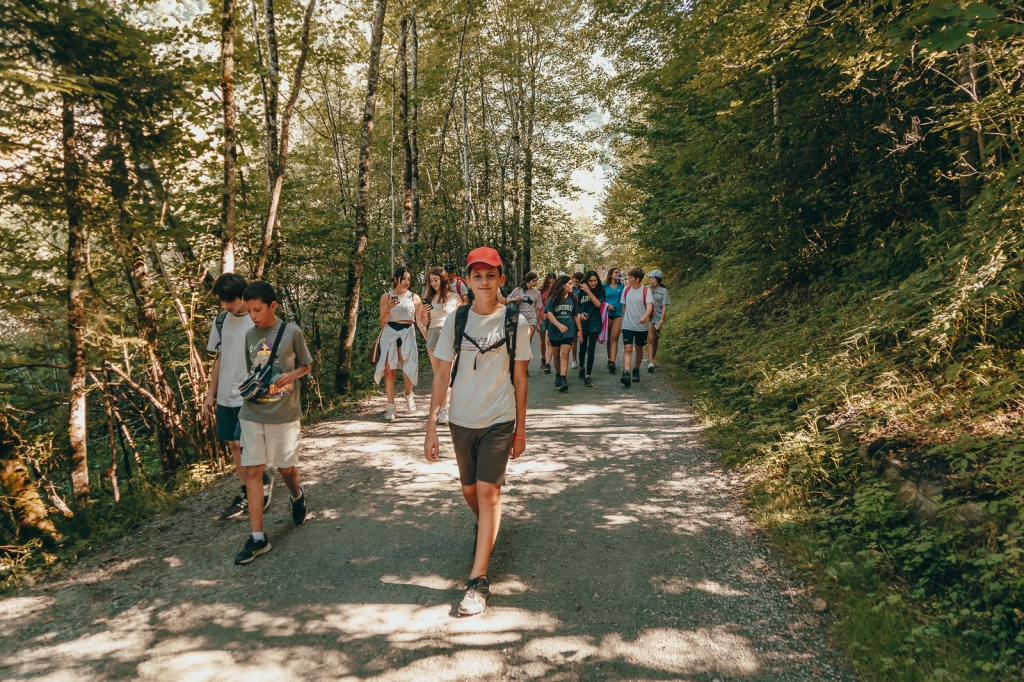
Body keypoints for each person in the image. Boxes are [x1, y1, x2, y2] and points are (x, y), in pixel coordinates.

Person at [424, 246, 531, 616]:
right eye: (477, 275)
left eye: (491, 275)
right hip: (461, 419)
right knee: (470, 492)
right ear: (466, 281)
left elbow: (520, 379)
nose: (484, 281)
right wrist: (431, 425)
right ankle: (488, 524)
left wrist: (521, 430)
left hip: (499, 418)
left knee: (487, 492)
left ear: (502, 279)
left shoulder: (517, 322)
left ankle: (477, 581)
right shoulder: (457, 320)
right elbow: (440, 374)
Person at [234, 281, 312, 565]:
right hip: (252, 414)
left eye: (257, 309)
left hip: (284, 415)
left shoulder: (291, 332)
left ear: (272, 306)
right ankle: (257, 539)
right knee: (253, 471)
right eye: (249, 311)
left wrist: (291, 376)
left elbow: (307, 365)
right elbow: (251, 369)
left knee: (285, 469)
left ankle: (297, 495)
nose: (253, 316)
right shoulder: (249, 336)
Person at [203, 273, 273, 520]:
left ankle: (259, 485)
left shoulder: (258, 319)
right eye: (222, 301)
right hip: (225, 393)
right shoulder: (221, 320)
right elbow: (219, 359)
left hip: (250, 394)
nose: (225, 305)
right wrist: (210, 395)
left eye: (228, 300)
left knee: (246, 444)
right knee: (233, 444)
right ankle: (247, 491)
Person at [376, 266, 423, 421]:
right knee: (389, 372)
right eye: (403, 278)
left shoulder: (414, 298)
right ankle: (391, 407)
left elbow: (421, 321)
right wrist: (389, 307)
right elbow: (383, 321)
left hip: (408, 332)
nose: (406, 282)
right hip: (390, 333)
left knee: (408, 369)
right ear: (396, 279)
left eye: (409, 279)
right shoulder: (386, 296)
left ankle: (409, 394)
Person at [420, 266, 461, 425]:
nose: (433, 283)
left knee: (447, 375)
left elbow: (460, 318)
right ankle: (439, 409)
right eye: (431, 281)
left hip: (449, 335)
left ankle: (445, 409)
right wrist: (423, 313)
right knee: (438, 376)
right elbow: (425, 322)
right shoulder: (429, 298)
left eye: (436, 280)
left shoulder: (455, 297)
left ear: (443, 279)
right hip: (433, 336)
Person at [544, 275, 582, 393]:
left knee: (564, 354)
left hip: (569, 330)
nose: (572, 286)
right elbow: (549, 314)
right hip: (555, 330)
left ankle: (564, 379)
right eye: (569, 284)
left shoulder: (573, 298)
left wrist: (580, 330)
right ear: (562, 285)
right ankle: (558, 374)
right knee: (556, 356)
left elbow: (576, 315)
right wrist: (559, 325)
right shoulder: (552, 299)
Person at [619, 267, 653, 388]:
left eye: (630, 277)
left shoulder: (646, 291)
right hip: (628, 324)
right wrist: (622, 322)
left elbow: (649, 307)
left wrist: (645, 317)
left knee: (639, 348)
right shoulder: (626, 290)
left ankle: (636, 370)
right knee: (628, 349)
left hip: (641, 326)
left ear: (637, 279)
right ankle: (626, 373)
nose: (628, 279)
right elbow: (624, 307)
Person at [577, 270, 605, 388]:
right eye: (590, 281)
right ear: (586, 281)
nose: (593, 283)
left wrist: (588, 291)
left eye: (595, 281)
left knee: (591, 349)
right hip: (583, 323)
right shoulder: (580, 292)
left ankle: (588, 375)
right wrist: (580, 315)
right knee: (582, 347)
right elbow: (576, 307)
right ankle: (582, 367)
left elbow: (598, 304)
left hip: (594, 322)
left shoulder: (600, 290)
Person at [509, 272, 543, 353]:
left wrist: (538, 324)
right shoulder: (518, 290)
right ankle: (518, 358)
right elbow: (505, 300)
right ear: (528, 280)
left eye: (536, 281)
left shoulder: (537, 293)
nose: (536, 283)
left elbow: (537, 310)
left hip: (532, 319)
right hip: (520, 319)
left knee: (528, 340)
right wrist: (514, 299)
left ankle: (525, 359)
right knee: (520, 341)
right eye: (534, 281)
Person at [646, 269, 671, 372]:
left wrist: (661, 320)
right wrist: (651, 288)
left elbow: (664, 307)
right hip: (649, 317)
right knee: (650, 339)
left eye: (651, 277)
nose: (649, 279)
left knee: (655, 339)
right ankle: (650, 363)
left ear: (656, 279)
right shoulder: (647, 289)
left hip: (658, 318)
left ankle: (652, 360)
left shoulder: (663, 291)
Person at [604, 267, 625, 373]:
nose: (617, 274)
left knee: (614, 338)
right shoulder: (605, 286)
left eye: (619, 273)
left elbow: (625, 299)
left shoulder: (622, 286)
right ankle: (609, 359)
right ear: (611, 274)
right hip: (607, 314)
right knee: (609, 338)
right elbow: (601, 300)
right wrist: (607, 305)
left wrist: (624, 279)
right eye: (616, 272)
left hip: (618, 314)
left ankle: (613, 361)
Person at [537, 273, 557, 374]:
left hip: (551, 318)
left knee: (548, 340)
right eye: (549, 283)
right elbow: (537, 305)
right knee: (542, 340)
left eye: (553, 283)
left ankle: (548, 362)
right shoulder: (540, 291)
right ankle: (543, 358)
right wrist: (538, 319)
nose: (551, 285)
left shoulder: (557, 291)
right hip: (542, 317)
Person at [569, 272, 585, 370]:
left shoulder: (584, 289)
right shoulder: (571, 289)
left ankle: (582, 359)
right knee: (574, 339)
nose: (575, 283)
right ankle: (574, 360)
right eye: (574, 281)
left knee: (582, 338)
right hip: (574, 315)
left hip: (583, 315)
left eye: (577, 282)